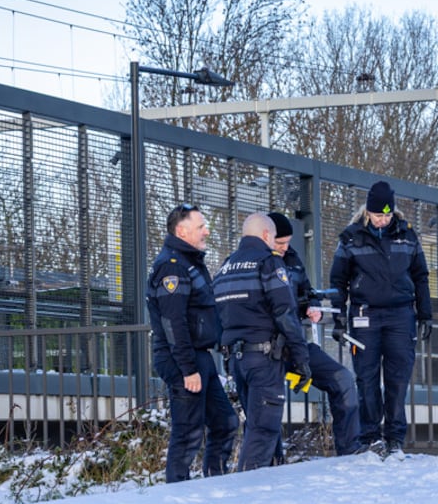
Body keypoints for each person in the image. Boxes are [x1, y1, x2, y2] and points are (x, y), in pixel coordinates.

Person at [329, 181, 432, 456]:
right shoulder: (351, 237)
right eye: (378, 216)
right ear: (368, 212)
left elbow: (421, 276)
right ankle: (369, 436)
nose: (383, 220)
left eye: (387, 215)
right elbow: (338, 281)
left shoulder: (407, 236)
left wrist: (425, 313)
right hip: (365, 316)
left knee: (399, 378)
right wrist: (338, 318)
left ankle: (395, 437)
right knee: (367, 377)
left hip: (401, 316)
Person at [146, 203, 238, 483]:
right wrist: (188, 369)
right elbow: (173, 323)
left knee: (225, 422)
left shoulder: (189, 263)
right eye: (201, 227)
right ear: (182, 230)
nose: (207, 231)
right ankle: (177, 493)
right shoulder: (171, 266)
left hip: (199, 357)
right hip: (183, 359)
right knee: (188, 432)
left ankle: (214, 483)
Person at [213, 212, 311, 472]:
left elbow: (216, 316)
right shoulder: (269, 263)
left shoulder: (225, 267)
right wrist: (301, 359)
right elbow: (285, 314)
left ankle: (273, 481)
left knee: (258, 424)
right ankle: (246, 488)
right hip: (265, 358)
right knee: (263, 429)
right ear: (267, 235)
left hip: (236, 360)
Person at [268, 211, 361, 457]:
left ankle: (350, 451)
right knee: (267, 407)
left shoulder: (293, 259)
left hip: (296, 345)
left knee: (342, 379)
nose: (285, 248)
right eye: (279, 244)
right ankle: (270, 465)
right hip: (266, 350)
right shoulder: (257, 263)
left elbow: (306, 292)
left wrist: (311, 307)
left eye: (288, 242)